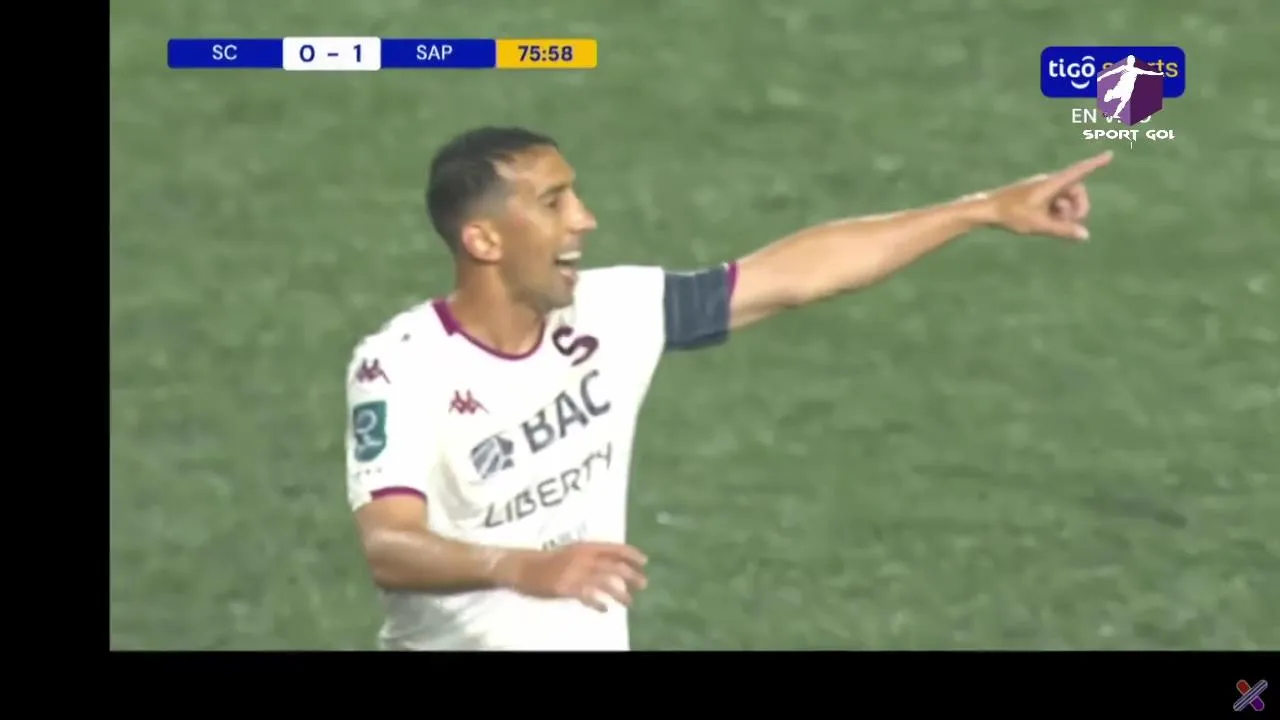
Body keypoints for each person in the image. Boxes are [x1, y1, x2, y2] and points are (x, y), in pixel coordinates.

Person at [344, 126, 1112, 650]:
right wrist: (526, 568)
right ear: (483, 239)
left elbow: (791, 276)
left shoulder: (609, 311)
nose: (585, 218)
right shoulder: (400, 367)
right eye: (553, 202)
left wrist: (982, 209)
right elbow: (390, 546)